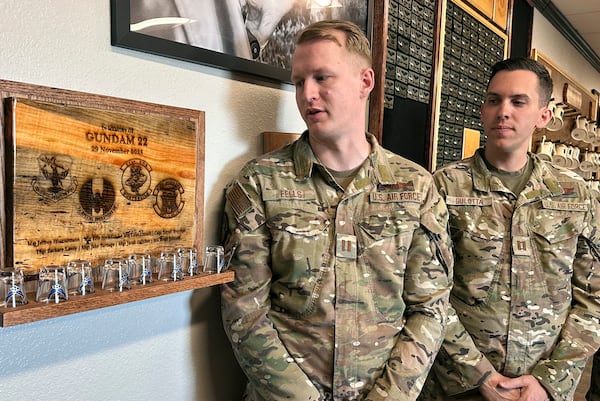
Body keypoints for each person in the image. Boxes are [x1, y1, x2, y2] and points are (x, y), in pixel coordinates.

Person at [220, 20, 453, 401]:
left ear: (365, 82)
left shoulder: (416, 187)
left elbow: (430, 308)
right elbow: (244, 312)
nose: (307, 93)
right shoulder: (260, 182)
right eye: (298, 82)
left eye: (322, 77)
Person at [419, 57, 600, 401]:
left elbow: (593, 297)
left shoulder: (575, 194)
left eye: (518, 102)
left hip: (542, 385)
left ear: (544, 116)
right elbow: (427, 292)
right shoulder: (444, 187)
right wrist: (480, 375)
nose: (503, 111)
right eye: (494, 100)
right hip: (457, 385)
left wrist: (550, 380)